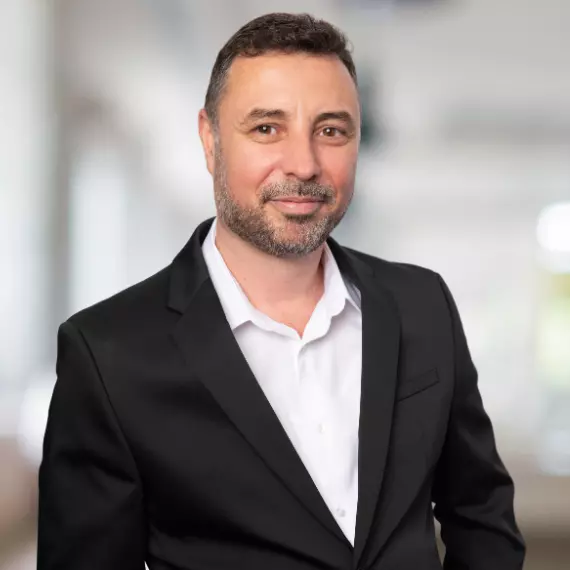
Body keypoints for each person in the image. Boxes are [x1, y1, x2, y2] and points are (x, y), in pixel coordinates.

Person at [37, 12, 525, 570]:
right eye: (267, 128)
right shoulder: (110, 353)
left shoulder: (422, 305)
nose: (304, 164)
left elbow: (481, 514)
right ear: (210, 140)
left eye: (331, 131)